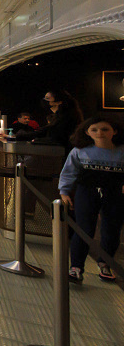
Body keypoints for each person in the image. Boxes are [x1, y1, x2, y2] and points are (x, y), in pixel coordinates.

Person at [58, 115, 124, 283]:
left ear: (114, 131)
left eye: (105, 129)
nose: (99, 133)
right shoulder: (80, 151)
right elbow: (68, 172)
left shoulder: (121, 151)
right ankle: (76, 267)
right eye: (94, 130)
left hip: (115, 195)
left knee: (111, 231)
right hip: (86, 193)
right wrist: (64, 192)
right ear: (87, 132)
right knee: (83, 229)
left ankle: (105, 264)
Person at [16, 89, 83, 151]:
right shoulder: (63, 115)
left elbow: (48, 132)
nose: (44, 101)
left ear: (58, 102)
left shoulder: (66, 117)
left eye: (48, 98)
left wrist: (24, 135)